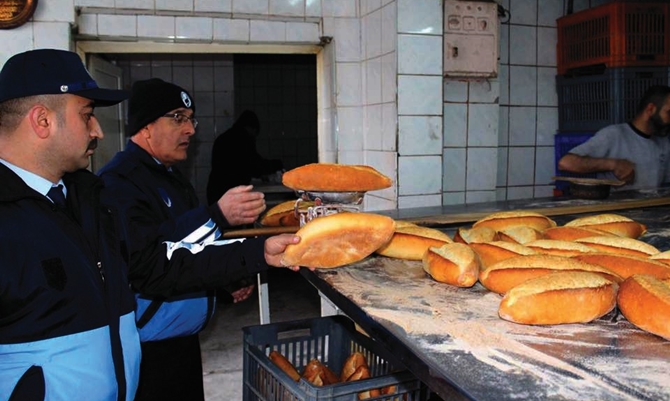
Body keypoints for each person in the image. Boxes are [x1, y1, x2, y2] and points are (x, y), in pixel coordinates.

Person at [97, 79, 299, 401]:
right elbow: (149, 263)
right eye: (178, 117)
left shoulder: (172, 177)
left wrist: (222, 284)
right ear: (146, 127)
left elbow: (190, 252)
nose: (190, 129)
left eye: (192, 119)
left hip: (183, 339)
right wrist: (218, 216)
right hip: (148, 348)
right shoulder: (119, 182)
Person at [0, 48, 140, 400]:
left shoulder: (92, 199)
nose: (98, 132)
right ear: (42, 121)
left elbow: (149, 263)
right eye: (87, 116)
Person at [558, 85, 670, 189]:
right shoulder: (614, 134)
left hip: (650, 206)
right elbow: (566, 163)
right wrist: (613, 164)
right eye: (669, 113)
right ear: (650, 109)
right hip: (616, 208)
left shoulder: (663, 142)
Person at [206, 110, 284, 204]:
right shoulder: (243, 140)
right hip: (230, 192)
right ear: (252, 129)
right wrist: (277, 164)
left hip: (216, 190)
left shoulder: (224, 138)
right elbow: (255, 165)